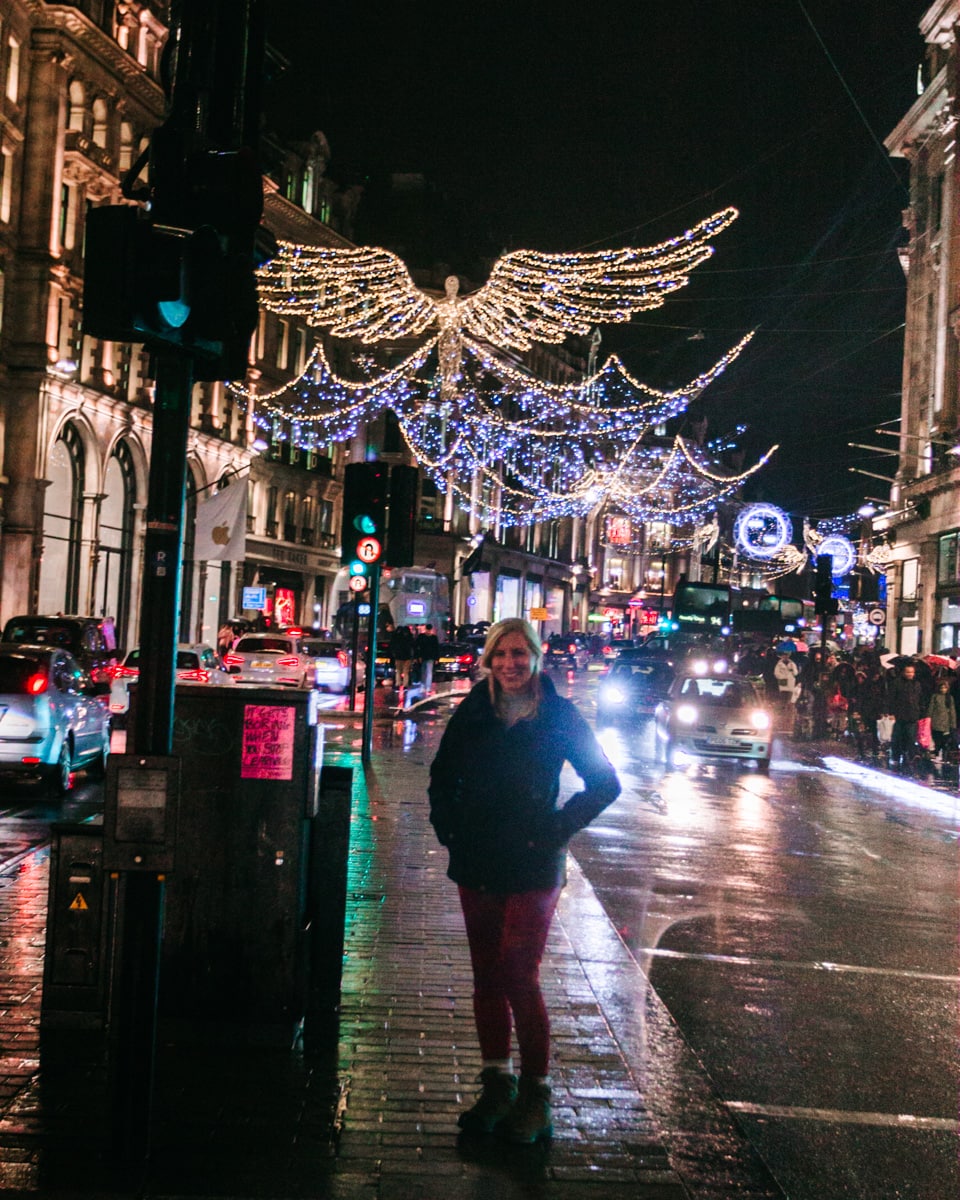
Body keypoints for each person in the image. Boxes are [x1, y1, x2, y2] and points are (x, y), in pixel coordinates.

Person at [428, 618, 620, 1144]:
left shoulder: (558, 714)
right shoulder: (474, 709)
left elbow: (605, 782)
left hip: (534, 862)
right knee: (486, 975)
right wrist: (449, 828)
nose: (510, 664)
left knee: (519, 972)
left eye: (520, 654)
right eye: (501, 654)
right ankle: (497, 1085)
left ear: (536, 658)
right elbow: (442, 774)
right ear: (488, 660)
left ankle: (537, 1094)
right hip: (478, 859)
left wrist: (553, 829)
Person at [886, 661, 924, 771]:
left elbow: (919, 699)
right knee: (898, 738)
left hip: (912, 715)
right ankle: (896, 756)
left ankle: (910, 757)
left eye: (912, 672)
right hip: (900, 715)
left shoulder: (916, 684)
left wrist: (920, 711)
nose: (910, 674)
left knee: (911, 738)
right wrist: (891, 712)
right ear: (903, 672)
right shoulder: (896, 683)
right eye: (908, 672)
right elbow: (891, 699)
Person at [926, 679, 957, 762]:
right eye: (941, 688)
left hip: (945, 723)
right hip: (936, 722)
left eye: (945, 688)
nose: (943, 690)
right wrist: (928, 719)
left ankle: (943, 755)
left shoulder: (950, 698)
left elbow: (952, 711)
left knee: (944, 741)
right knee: (937, 739)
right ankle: (936, 754)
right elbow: (931, 709)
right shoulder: (935, 696)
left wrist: (953, 724)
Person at [414, 622, 441, 694]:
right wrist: (437, 658)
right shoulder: (433, 638)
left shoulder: (421, 637)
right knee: (427, 672)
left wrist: (417, 656)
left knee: (425, 672)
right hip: (428, 656)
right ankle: (426, 687)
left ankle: (425, 686)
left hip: (424, 656)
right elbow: (436, 649)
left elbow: (417, 647)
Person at [389, 624, 415, 690]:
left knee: (398, 671)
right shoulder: (409, 637)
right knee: (406, 672)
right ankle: (405, 684)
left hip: (398, 656)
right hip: (407, 656)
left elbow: (392, 646)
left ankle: (398, 683)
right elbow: (412, 645)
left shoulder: (396, 636)